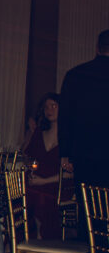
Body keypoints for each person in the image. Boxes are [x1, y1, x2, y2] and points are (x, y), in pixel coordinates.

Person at [60, 30, 109, 191]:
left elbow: (65, 116)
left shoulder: (75, 75)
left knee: (87, 205)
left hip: (83, 153)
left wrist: (65, 153)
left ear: (97, 48)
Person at [22, 93, 64, 240]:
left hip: (58, 183)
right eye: (46, 107)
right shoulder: (39, 132)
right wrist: (32, 170)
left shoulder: (69, 137)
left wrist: (44, 181)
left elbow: (73, 172)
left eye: (54, 106)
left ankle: (41, 235)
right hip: (37, 180)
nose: (49, 110)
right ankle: (24, 237)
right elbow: (28, 158)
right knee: (23, 192)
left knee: (39, 194)